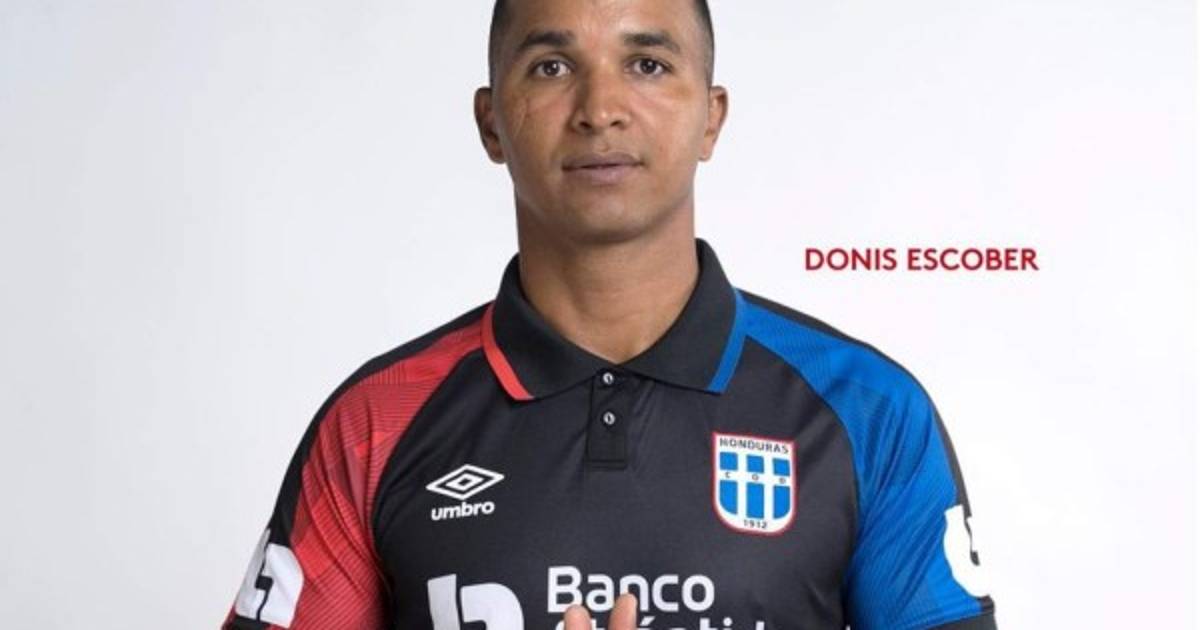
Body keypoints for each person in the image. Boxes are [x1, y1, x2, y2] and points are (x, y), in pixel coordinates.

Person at [221, 0, 998, 628]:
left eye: (647, 64)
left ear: (711, 118)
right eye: (552, 66)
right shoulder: (375, 423)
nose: (600, 110)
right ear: (491, 123)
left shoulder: (867, 408)